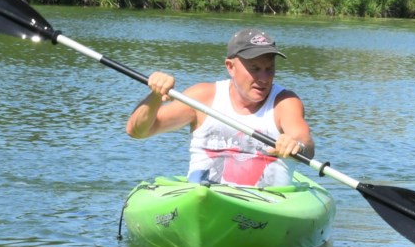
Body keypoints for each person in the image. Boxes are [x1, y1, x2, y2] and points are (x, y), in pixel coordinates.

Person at [126, 28, 314, 187]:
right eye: (255, 69)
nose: (264, 78)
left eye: (269, 69)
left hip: (266, 206)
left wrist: (295, 145)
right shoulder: (202, 98)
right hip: (204, 198)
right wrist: (156, 96)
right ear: (230, 67)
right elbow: (137, 131)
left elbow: (305, 143)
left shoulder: (284, 102)